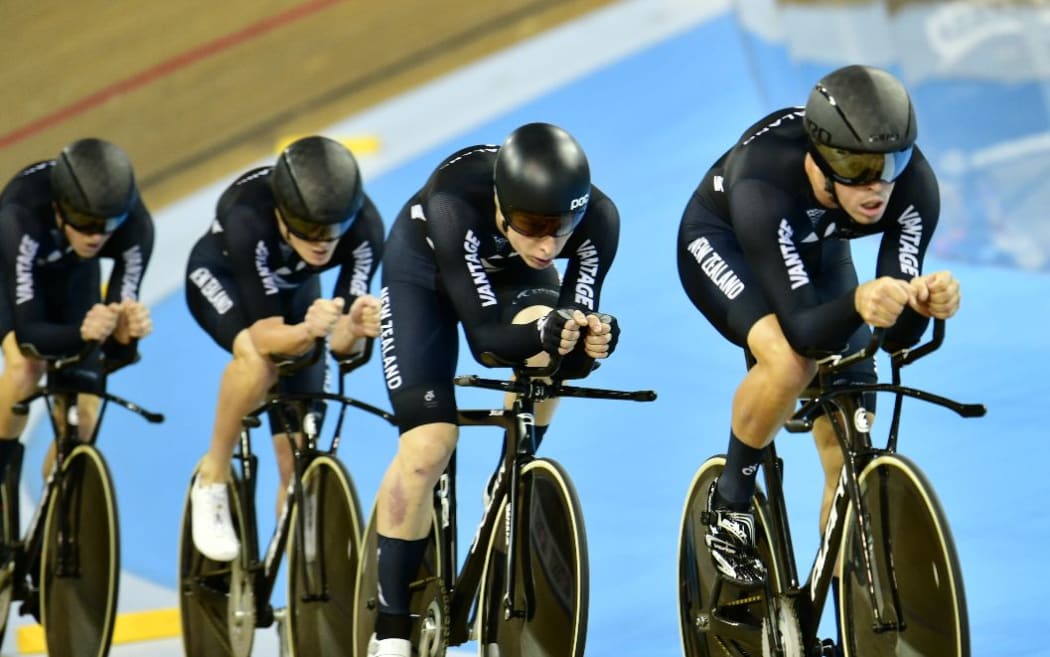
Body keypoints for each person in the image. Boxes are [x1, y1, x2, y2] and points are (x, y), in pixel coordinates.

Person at [676, 64, 961, 597]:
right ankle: (730, 504)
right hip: (728, 243)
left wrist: (923, 303)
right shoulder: (763, 177)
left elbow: (895, 337)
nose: (877, 184)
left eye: (890, 162)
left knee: (849, 434)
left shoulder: (913, 184)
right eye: (856, 166)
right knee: (789, 362)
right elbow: (806, 331)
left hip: (820, 251)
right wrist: (858, 300)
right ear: (820, 160)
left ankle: (835, 606)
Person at [370, 122, 621, 657]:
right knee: (427, 447)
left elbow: (571, 335)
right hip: (425, 274)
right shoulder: (454, 200)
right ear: (502, 206)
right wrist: (546, 332)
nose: (548, 244)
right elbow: (487, 341)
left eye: (562, 228)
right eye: (532, 224)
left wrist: (591, 340)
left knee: (555, 336)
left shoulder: (599, 219)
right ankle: (389, 628)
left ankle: (512, 470)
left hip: (505, 279)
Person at [186, 135, 384, 562]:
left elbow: (341, 347)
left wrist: (355, 324)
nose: (322, 242)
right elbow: (265, 337)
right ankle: (214, 475)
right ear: (282, 214)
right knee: (259, 367)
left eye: (334, 230)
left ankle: (296, 587)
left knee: (296, 459)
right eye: (310, 230)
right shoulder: (247, 213)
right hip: (226, 284)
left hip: (295, 297)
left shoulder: (365, 225)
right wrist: (308, 332)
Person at [0, 138, 154, 489]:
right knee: (26, 368)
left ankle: (58, 507)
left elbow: (114, 354)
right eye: (84, 222)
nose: (96, 236)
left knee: (85, 416)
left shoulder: (136, 227)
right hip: (11, 282)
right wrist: (82, 336)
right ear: (59, 209)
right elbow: (30, 334)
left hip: (74, 280)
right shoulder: (20, 215)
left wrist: (125, 337)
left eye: (108, 223)